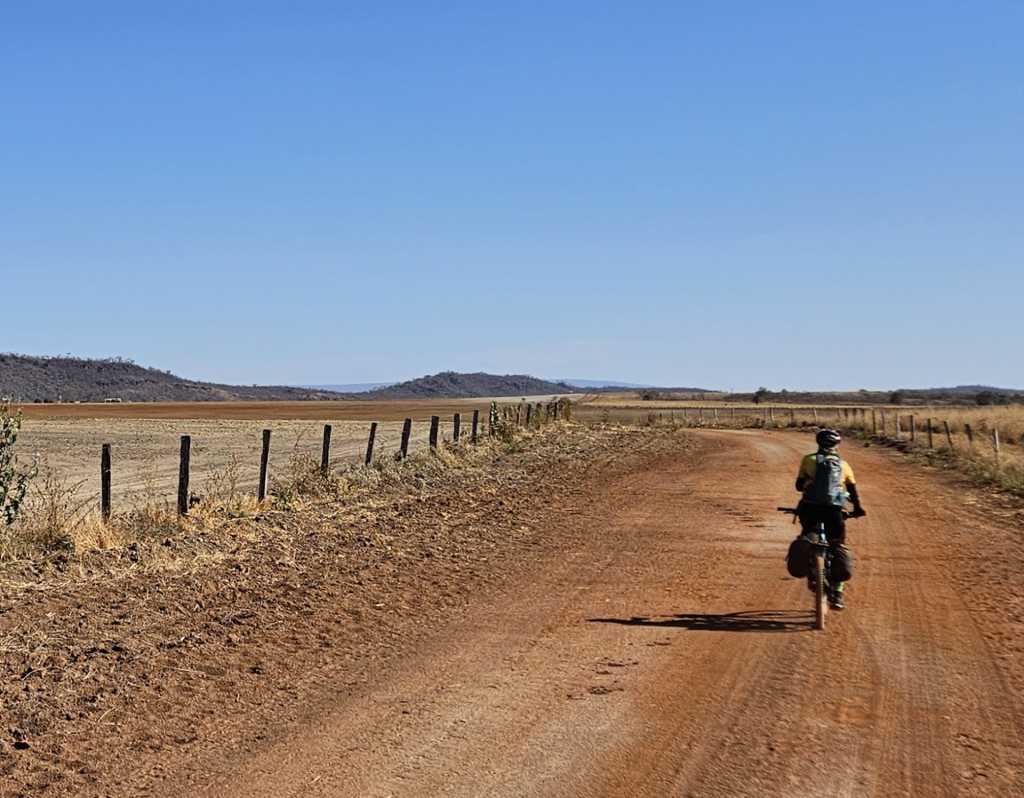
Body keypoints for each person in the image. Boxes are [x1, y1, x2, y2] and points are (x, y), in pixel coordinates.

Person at [795, 428, 865, 609]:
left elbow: (798, 486)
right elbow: (853, 491)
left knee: (809, 532)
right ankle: (838, 593)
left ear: (818, 443)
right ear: (836, 444)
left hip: (810, 507)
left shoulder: (808, 460)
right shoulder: (844, 465)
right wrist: (857, 509)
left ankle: (811, 567)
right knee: (837, 544)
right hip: (834, 510)